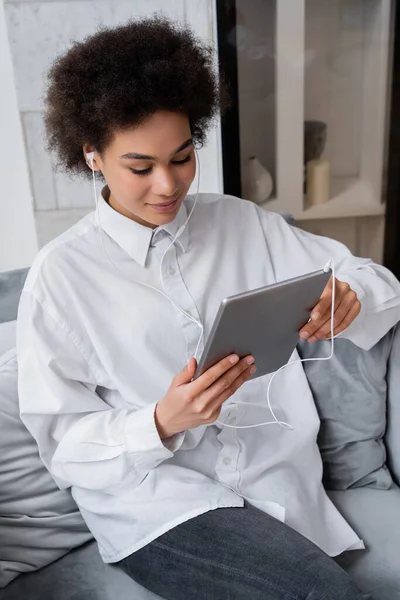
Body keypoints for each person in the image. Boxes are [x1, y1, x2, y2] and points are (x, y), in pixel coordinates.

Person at [17, 17, 399, 600]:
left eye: (182, 156)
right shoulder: (62, 275)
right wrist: (161, 422)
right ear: (92, 155)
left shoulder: (240, 222)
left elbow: (371, 279)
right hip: (158, 504)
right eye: (140, 167)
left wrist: (350, 297)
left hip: (281, 484)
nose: (168, 185)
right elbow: (64, 444)